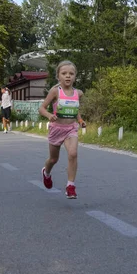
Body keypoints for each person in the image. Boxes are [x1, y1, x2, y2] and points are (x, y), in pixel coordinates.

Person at [38, 60, 86, 199]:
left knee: (73, 153)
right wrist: (49, 115)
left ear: (75, 76)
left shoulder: (78, 93)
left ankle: (70, 186)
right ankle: (46, 173)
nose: (68, 76)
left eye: (71, 74)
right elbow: (41, 108)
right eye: (64, 73)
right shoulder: (55, 91)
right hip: (56, 129)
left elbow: (74, 108)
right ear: (58, 76)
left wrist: (80, 120)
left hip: (71, 129)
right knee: (53, 159)